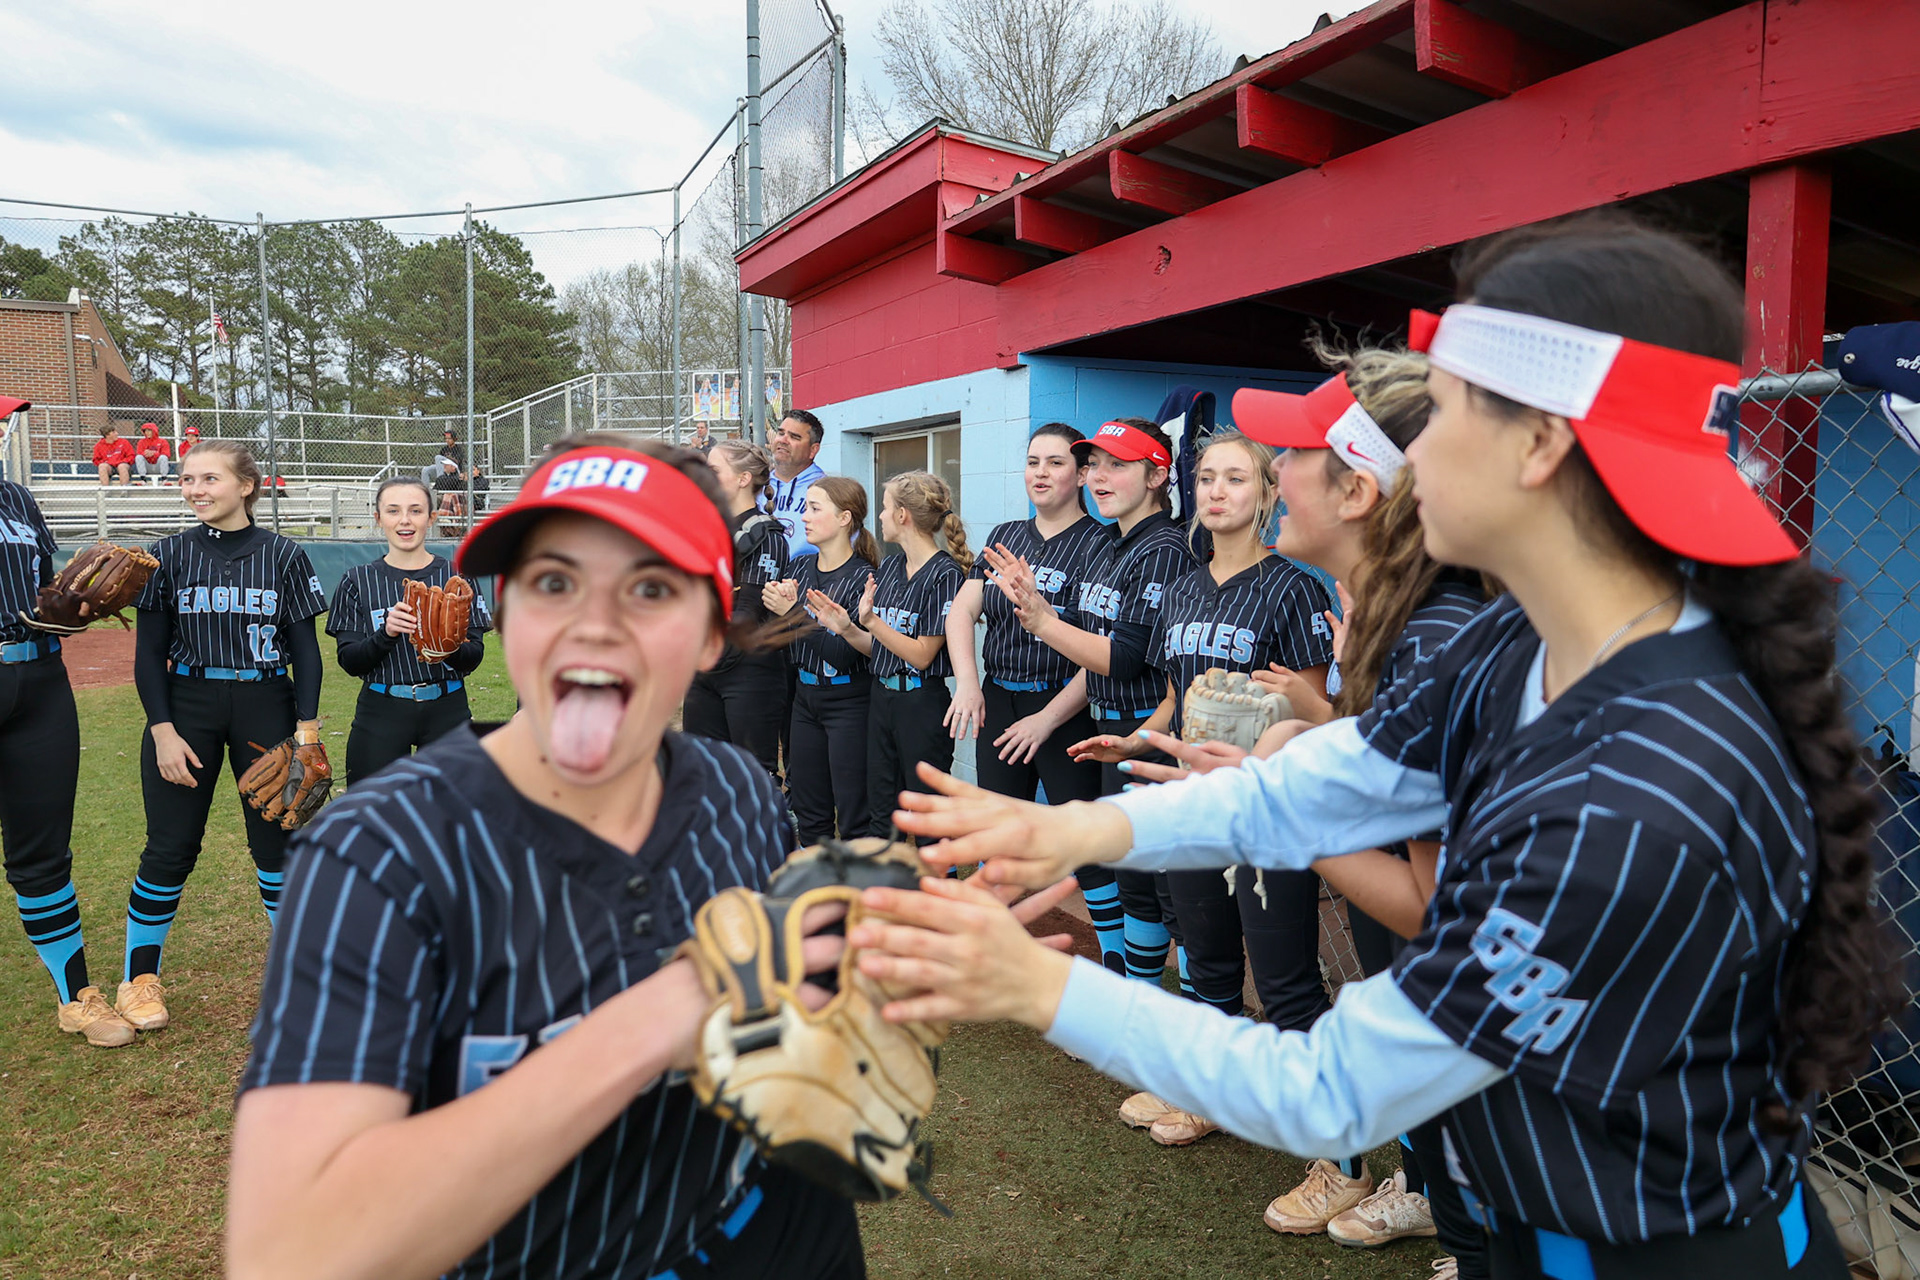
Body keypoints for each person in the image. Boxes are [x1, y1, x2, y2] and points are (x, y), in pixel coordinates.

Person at [865, 220, 1895, 1279]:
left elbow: (1333, 1090)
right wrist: (1073, 825)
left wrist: (1036, 986)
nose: (1413, 454)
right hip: (1539, 1227)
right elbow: (1339, 775)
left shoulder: (1635, 789)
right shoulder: (1522, 636)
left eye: (1442, 411)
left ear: (1540, 443)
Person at [227, 435, 876, 1280]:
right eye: (554, 582)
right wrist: (659, 1015)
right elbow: (290, 1251)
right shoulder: (376, 853)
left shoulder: (741, 793)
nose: (593, 625)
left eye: (649, 588)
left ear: (713, 633)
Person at [1226, 348, 1492, 1269]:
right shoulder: (1412, 618)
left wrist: (1282, 809)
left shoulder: (1432, 637)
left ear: (1360, 493)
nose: (1273, 475)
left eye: (1291, 456)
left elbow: (1436, 909)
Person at [1074, 430, 1334, 1148]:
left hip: (1263, 808)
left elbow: (1316, 714)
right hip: (1192, 799)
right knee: (1204, 950)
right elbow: (1172, 695)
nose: (1219, 491)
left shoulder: (1294, 587)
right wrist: (1137, 738)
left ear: (1267, 495)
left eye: (1237, 479)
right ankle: (1207, 1089)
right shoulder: (1185, 583)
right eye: (1208, 478)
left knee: (1283, 977)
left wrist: (1272, 735)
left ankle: (1330, 1155)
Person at [120, 438, 328, 1033]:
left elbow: (306, 653)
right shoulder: (167, 555)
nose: (195, 489)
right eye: (187, 479)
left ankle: (306, 978)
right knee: (171, 846)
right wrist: (162, 729)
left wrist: (307, 729)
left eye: (209, 478)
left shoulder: (284, 555)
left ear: (247, 486)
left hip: (265, 701)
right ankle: (139, 980)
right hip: (186, 705)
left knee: (275, 845)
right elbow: (149, 652)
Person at [986, 417, 1194, 997]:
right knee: (1131, 879)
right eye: (1095, 463)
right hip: (1112, 726)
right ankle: (1131, 992)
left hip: (1146, 726)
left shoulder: (1160, 549)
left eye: (1117, 465)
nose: (1100, 476)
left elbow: (1125, 660)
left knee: (1161, 890)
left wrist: (1042, 621)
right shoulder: (1123, 543)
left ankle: (1150, 999)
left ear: (1158, 475)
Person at [944, 424, 1115, 964]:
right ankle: (991, 953)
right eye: (1033, 461)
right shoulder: (1007, 535)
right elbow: (961, 611)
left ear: (1083, 474)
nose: (1041, 473)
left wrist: (1047, 720)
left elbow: (1105, 652)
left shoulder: (1102, 544)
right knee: (999, 836)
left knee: (1083, 848)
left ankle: (1120, 964)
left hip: (1066, 710)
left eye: (1056, 463)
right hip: (1002, 701)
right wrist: (969, 683)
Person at [0, 396, 136, 1046]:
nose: (2, 429)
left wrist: (69, 601)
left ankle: (75, 997)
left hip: (39, 683)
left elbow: (39, 586)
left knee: (43, 851)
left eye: (1, 422)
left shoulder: (19, 501)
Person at [327, 476, 491, 784]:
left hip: (447, 707)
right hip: (382, 708)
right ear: (378, 519)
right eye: (393, 511)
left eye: (415, 511)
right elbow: (350, 661)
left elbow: (474, 657)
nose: (405, 520)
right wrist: (385, 634)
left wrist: (447, 647)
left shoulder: (457, 576)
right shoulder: (357, 580)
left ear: (431, 518)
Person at [764, 476, 881, 844]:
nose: (805, 517)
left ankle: (857, 898)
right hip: (805, 699)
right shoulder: (800, 568)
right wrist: (777, 606)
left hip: (850, 701)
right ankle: (817, 894)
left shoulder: (865, 577)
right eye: (805, 508)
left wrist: (795, 613)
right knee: (810, 813)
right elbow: (778, 640)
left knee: (853, 814)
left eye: (815, 508)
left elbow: (843, 655)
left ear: (845, 518)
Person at [858, 470, 970, 838]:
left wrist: (872, 622)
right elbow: (882, 646)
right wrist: (846, 626)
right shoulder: (890, 565)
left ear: (904, 515)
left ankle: (937, 890)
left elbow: (922, 655)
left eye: (887, 507)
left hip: (921, 701)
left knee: (926, 817)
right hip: (882, 696)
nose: (881, 516)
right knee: (881, 811)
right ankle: (884, 892)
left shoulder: (945, 573)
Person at [683, 440, 791, 781]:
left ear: (744, 479)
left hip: (748, 671)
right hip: (705, 667)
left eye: (714, 470)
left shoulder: (766, 534)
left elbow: (748, 610)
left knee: (749, 777)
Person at [765, 410, 826, 559]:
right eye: (781, 433)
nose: (783, 440)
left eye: (794, 437)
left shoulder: (827, 490)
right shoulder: (756, 485)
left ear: (813, 450)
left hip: (804, 579)